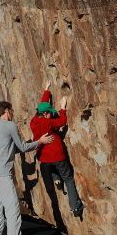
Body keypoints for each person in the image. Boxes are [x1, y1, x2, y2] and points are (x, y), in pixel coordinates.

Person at [0, 101, 53, 235]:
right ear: (7, 111)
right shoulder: (10, 125)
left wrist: (31, 142)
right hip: (3, 172)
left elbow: (9, 148)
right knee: (13, 209)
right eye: (12, 110)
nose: (13, 113)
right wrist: (40, 142)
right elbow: (23, 148)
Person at [30, 82, 85, 218]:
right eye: (49, 113)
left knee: (52, 167)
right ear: (45, 114)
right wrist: (62, 108)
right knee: (68, 179)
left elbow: (42, 105)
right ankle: (75, 207)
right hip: (57, 155)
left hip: (44, 158)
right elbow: (61, 122)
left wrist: (46, 90)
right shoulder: (48, 122)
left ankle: (56, 179)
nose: (50, 114)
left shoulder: (34, 121)